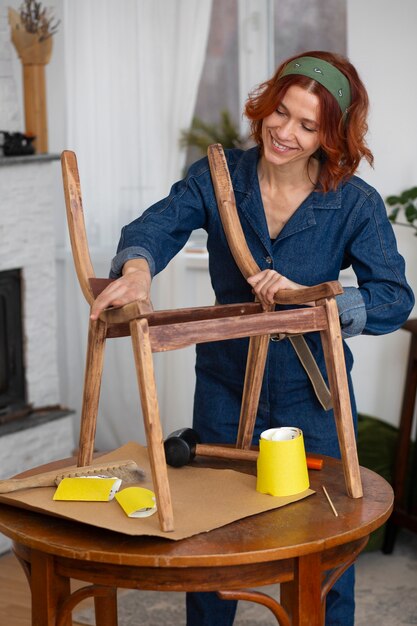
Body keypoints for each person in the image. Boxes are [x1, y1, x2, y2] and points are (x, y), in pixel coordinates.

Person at [90, 51, 414, 625]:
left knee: (329, 548)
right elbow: (155, 226)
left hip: (315, 397)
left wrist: (317, 299)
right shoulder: (219, 177)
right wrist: (136, 269)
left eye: (307, 125)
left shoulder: (353, 202)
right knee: (210, 545)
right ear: (265, 107)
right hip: (226, 385)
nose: (285, 132)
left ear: (330, 136)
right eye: (280, 113)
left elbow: (394, 297)